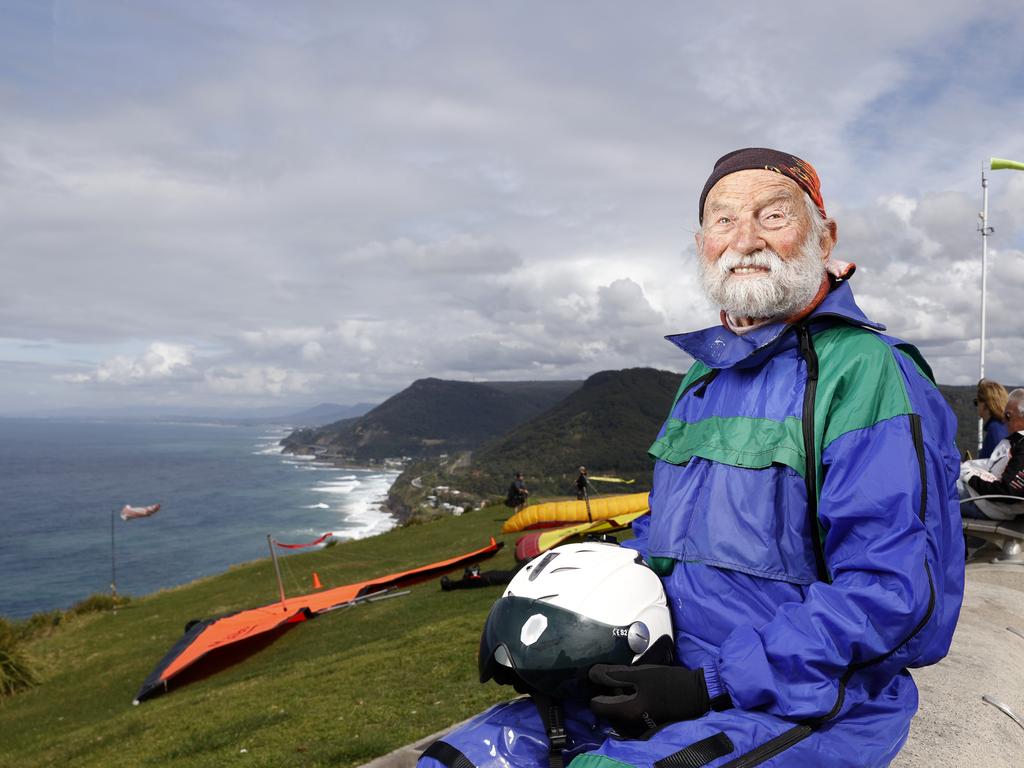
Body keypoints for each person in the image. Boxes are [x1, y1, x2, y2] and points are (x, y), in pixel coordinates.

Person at [420, 148, 964, 768]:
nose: (746, 239)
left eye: (774, 216)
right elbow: (666, 541)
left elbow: (894, 596)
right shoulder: (703, 377)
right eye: (724, 220)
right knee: (458, 759)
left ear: (823, 235)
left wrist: (709, 685)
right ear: (702, 242)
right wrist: (570, 634)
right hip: (661, 674)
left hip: (804, 700)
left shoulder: (865, 372)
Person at [962, 389, 1024, 516]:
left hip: (989, 506)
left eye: (1007, 415)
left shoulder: (1020, 445)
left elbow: (1007, 492)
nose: (1005, 421)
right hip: (987, 501)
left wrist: (969, 476)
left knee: (935, 492)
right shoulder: (1015, 442)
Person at [976, 378, 1009, 459]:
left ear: (985, 404)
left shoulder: (995, 429)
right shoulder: (1007, 427)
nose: (977, 406)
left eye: (976, 402)